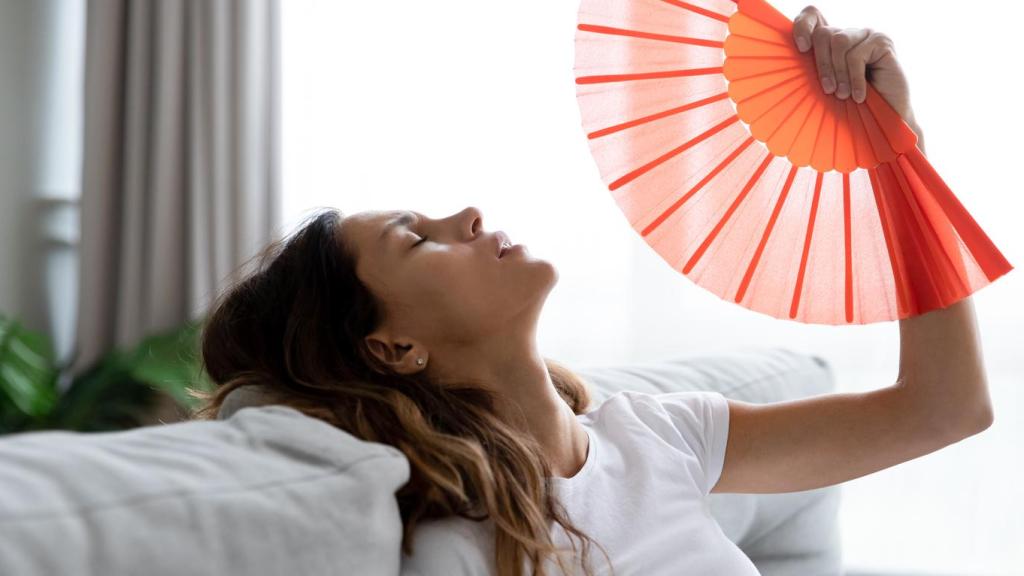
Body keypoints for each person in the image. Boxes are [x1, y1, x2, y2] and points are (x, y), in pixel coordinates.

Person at [189, 5, 993, 575]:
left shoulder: (653, 435)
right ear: (394, 347)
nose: (466, 214)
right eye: (416, 239)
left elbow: (946, 409)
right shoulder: (463, 547)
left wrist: (898, 157)